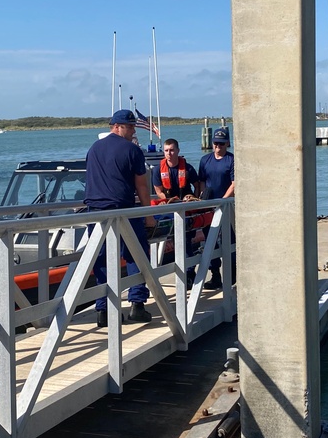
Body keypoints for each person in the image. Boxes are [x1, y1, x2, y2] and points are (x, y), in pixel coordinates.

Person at [84, 109, 153, 326]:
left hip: (95, 210)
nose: (133, 131)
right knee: (136, 253)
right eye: (130, 126)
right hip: (122, 209)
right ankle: (137, 304)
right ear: (116, 126)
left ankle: (103, 310)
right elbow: (141, 186)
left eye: (133, 126)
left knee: (101, 259)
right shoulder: (132, 150)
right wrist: (148, 214)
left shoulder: (94, 148)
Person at [152, 138, 203, 286]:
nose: (169, 153)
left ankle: (189, 272)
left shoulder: (187, 168)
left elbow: (197, 185)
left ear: (178, 151)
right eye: (167, 150)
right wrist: (169, 200)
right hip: (169, 209)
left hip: (186, 210)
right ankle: (167, 274)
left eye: (172, 150)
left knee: (186, 240)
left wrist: (193, 197)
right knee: (168, 240)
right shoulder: (157, 170)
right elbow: (158, 191)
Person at [197, 127, 235, 290]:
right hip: (209, 206)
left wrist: (223, 200)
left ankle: (232, 275)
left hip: (227, 206)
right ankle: (215, 275)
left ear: (227, 143)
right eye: (215, 143)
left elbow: (234, 183)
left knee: (230, 240)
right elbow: (201, 182)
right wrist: (204, 199)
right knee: (209, 240)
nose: (217, 147)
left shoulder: (231, 160)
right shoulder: (205, 160)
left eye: (221, 143)